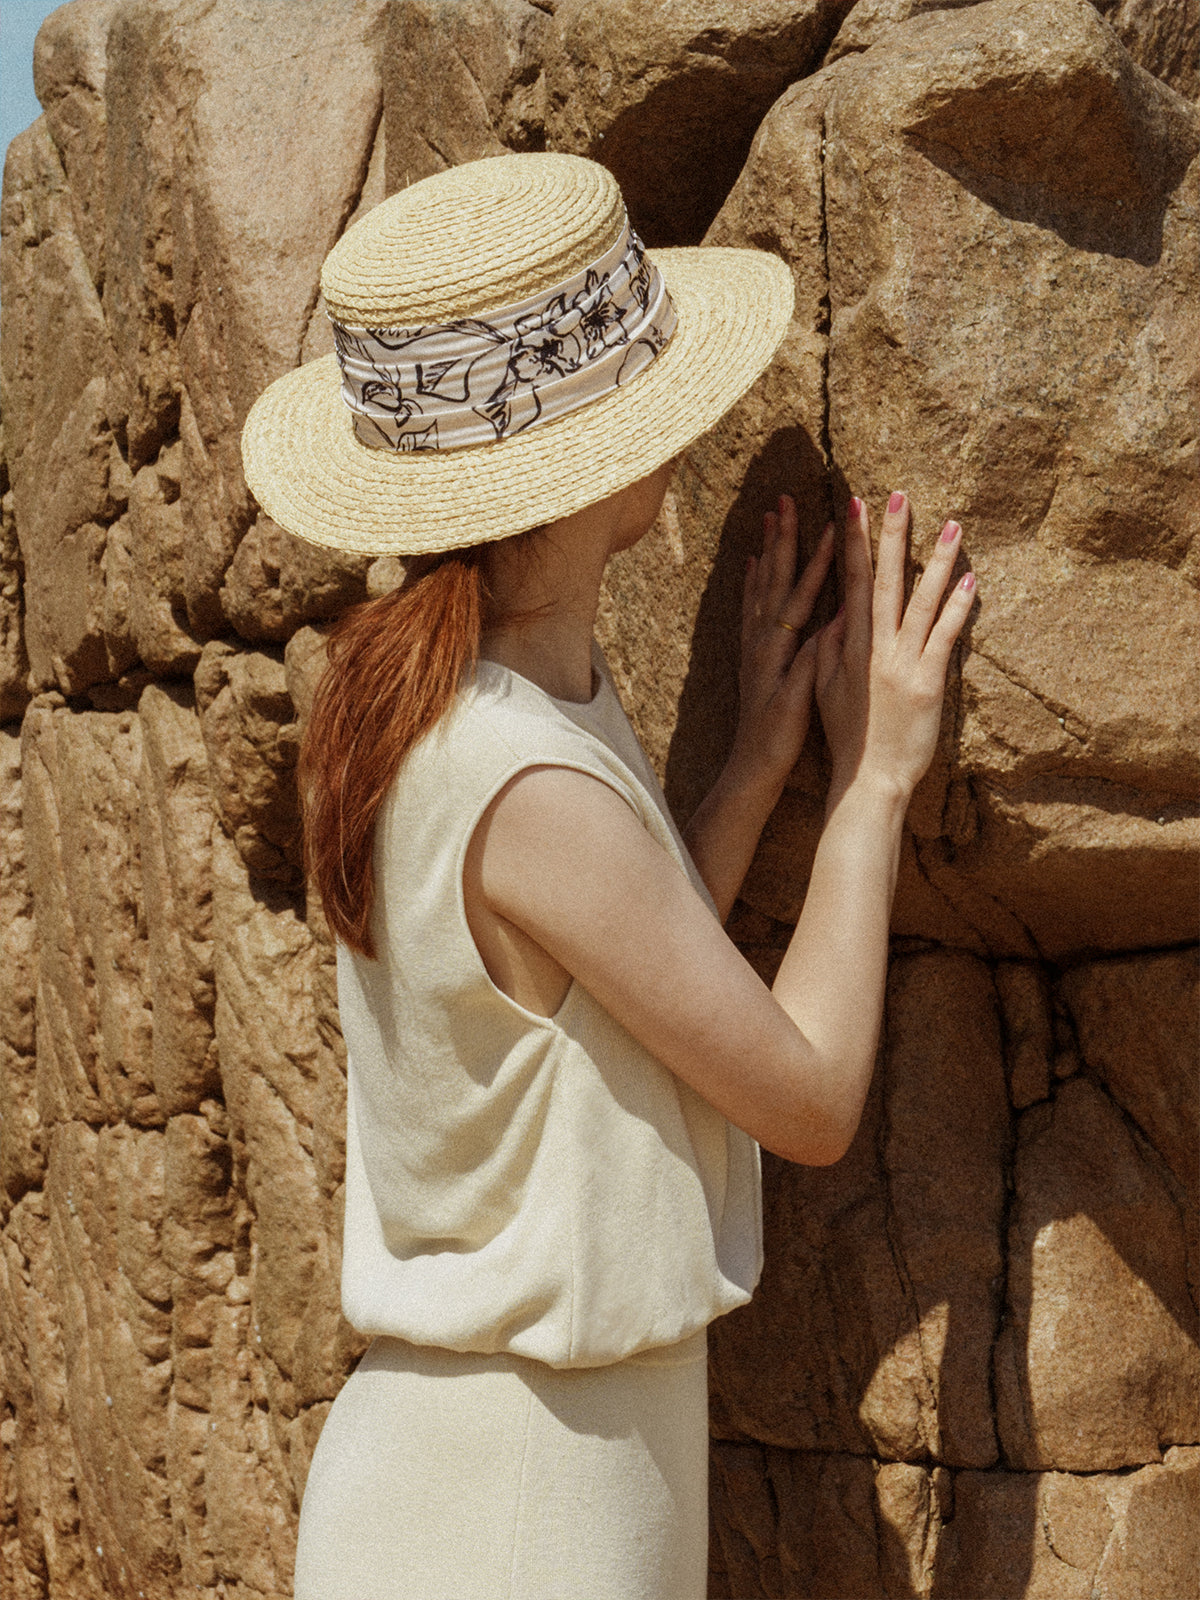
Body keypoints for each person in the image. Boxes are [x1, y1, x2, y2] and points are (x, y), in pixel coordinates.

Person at [241, 151, 976, 1600]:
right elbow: (812, 1095)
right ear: (585, 456)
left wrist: (757, 767)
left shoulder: (455, 700)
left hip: (495, 1476)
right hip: (525, 1509)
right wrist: (876, 779)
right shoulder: (521, 771)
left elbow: (616, 996)